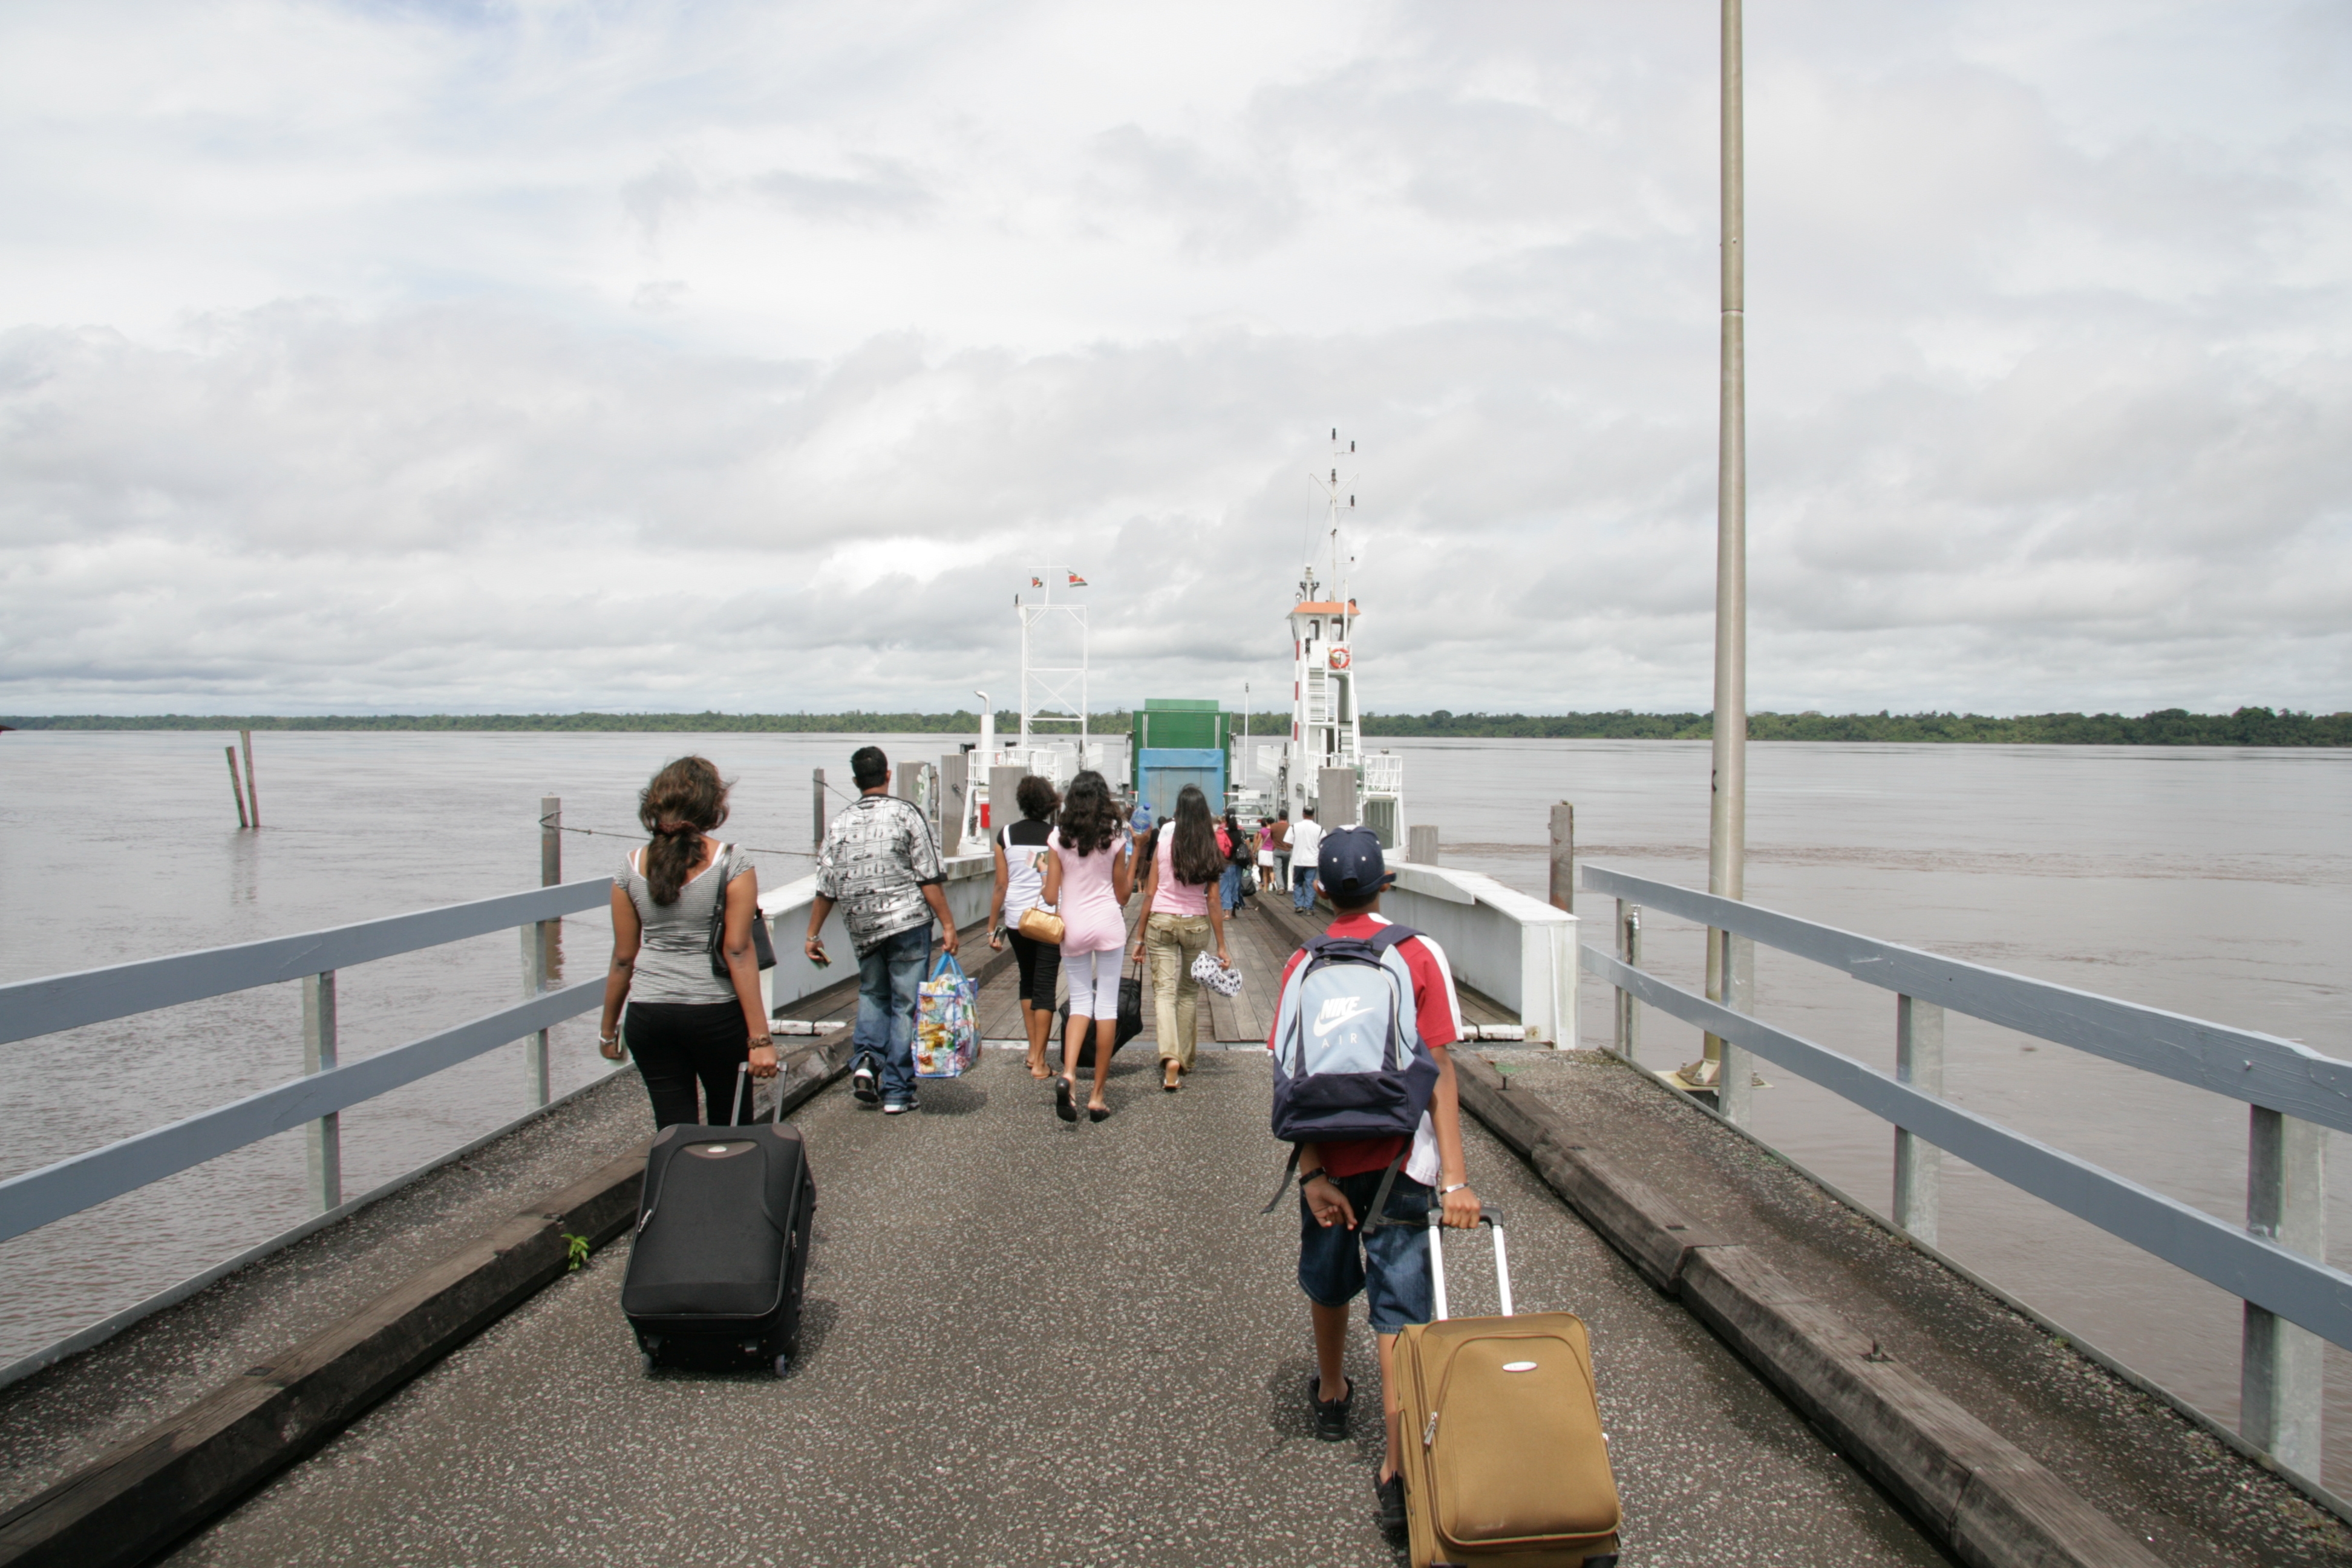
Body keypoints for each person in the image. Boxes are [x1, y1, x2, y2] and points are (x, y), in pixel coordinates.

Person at [1273, 827, 1481, 1534]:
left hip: (1328, 1165)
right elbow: (1440, 1073)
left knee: (1329, 1282)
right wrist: (1454, 1181)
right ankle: (1398, 1469)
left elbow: (1289, 1077)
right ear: (1386, 883)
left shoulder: (1301, 963)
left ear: (1321, 890)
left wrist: (1309, 1176)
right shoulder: (1417, 955)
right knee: (1399, 1313)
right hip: (1404, 1165)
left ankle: (1332, 1395)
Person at [598, 756, 776, 1126]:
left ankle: (676, 1182)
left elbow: (623, 958)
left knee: (673, 1128)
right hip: (714, 1014)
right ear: (714, 805)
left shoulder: (630, 865)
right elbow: (738, 950)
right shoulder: (731, 861)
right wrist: (760, 1040)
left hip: (648, 1014)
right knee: (730, 1127)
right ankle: (724, 1183)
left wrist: (608, 1029)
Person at [806, 745, 956, 1116]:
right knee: (906, 1005)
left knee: (873, 993)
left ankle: (866, 1063)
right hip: (908, 922)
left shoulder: (839, 823)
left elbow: (826, 885)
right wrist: (949, 924)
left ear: (856, 781)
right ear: (887, 775)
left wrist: (812, 935)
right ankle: (897, 1091)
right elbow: (928, 876)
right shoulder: (907, 814)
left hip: (863, 925)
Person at [1039, 768, 1134, 1122]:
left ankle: (1068, 1077)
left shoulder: (1057, 838)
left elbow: (1051, 896)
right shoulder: (1114, 837)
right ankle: (1097, 1096)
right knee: (1106, 1006)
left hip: (1073, 926)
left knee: (1080, 1003)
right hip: (1108, 924)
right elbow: (1123, 895)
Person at [1127, 783, 1230, 1092]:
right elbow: (1213, 900)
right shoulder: (1208, 841)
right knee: (1188, 994)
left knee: (1164, 993)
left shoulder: (1164, 837)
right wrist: (1222, 945)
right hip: (1197, 925)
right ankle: (1185, 1058)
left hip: (1161, 920)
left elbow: (1150, 890)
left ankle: (1170, 1056)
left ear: (1177, 809)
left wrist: (1140, 937)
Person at [986, 774, 1062, 1079]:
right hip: (1047, 918)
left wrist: (993, 926)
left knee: (1027, 981)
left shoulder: (1005, 834)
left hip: (1017, 919)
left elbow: (1000, 885)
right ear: (1049, 804)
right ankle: (1041, 1061)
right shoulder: (1057, 835)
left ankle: (1032, 1051)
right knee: (1045, 986)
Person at [1287, 807, 1324, 914]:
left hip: (1298, 860)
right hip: (1312, 861)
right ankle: (1309, 908)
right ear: (1314, 815)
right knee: (1310, 884)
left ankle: (1299, 905)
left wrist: (1297, 845)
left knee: (1298, 882)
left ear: (1303, 814)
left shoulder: (1295, 827)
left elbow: (1287, 843)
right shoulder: (1319, 829)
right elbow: (1324, 844)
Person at [1218, 811, 1248, 915]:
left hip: (1225, 861)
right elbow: (1247, 847)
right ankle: (1235, 906)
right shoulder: (1242, 830)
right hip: (1239, 862)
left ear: (1225, 820)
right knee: (1237, 885)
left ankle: (1226, 910)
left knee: (1225, 885)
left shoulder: (1221, 831)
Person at [1266, 809, 1292, 897]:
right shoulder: (1290, 827)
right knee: (1285, 869)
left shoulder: (1273, 826)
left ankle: (1281, 888)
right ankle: (1286, 886)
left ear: (1279, 817)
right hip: (1287, 851)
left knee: (1278, 870)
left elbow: (1272, 837)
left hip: (1277, 850)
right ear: (1287, 817)